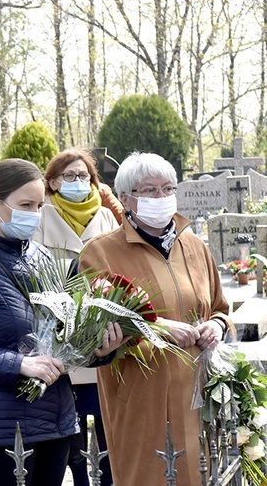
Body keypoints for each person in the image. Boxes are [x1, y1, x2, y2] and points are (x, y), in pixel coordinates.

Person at [0, 158, 125, 486]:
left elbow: (64, 336)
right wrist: (20, 364)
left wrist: (100, 348)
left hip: (55, 421)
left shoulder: (40, 255)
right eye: (25, 205)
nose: (34, 214)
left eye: (39, 206)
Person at [79, 151, 233, 486]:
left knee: (202, 473)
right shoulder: (101, 252)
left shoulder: (194, 246)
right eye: (149, 191)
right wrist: (157, 328)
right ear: (126, 200)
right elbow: (95, 329)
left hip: (199, 392)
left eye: (167, 188)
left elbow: (221, 307)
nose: (161, 197)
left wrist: (216, 326)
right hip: (142, 397)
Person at [32, 148, 117, 486]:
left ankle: (110, 479)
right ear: (52, 181)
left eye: (84, 176)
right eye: (69, 176)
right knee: (73, 427)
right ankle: (80, 479)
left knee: (109, 422)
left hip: (102, 337)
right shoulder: (41, 215)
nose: (78, 182)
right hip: (61, 337)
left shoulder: (107, 217)